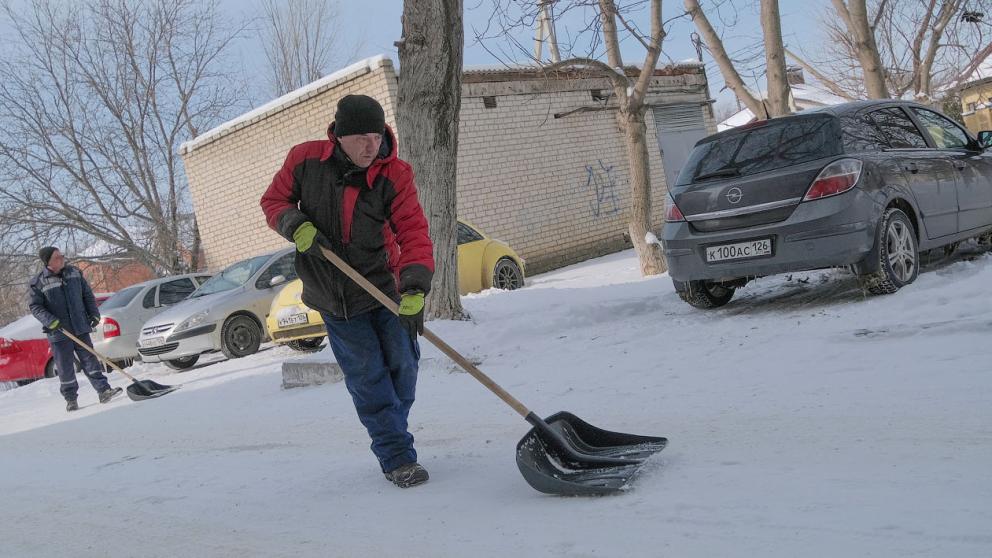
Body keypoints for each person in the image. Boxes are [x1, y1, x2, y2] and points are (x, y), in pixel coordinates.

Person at [260, 95, 435, 488]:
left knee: (403, 369)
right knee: (369, 377)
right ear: (339, 136)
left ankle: (390, 429)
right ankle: (397, 456)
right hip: (335, 296)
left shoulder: (395, 175)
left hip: (386, 290)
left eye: (376, 136)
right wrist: (294, 223)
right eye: (360, 138)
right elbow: (274, 200)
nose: (370, 146)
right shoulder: (305, 161)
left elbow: (413, 232)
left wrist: (415, 285)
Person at [28, 247, 122, 412]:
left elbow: (87, 295)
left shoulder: (74, 273)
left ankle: (103, 390)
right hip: (59, 331)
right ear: (48, 261)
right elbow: (35, 307)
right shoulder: (39, 282)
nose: (62, 259)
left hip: (80, 326)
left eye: (61, 256)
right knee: (65, 367)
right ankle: (71, 399)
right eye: (57, 257)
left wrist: (93, 314)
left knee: (90, 361)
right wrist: (51, 321)